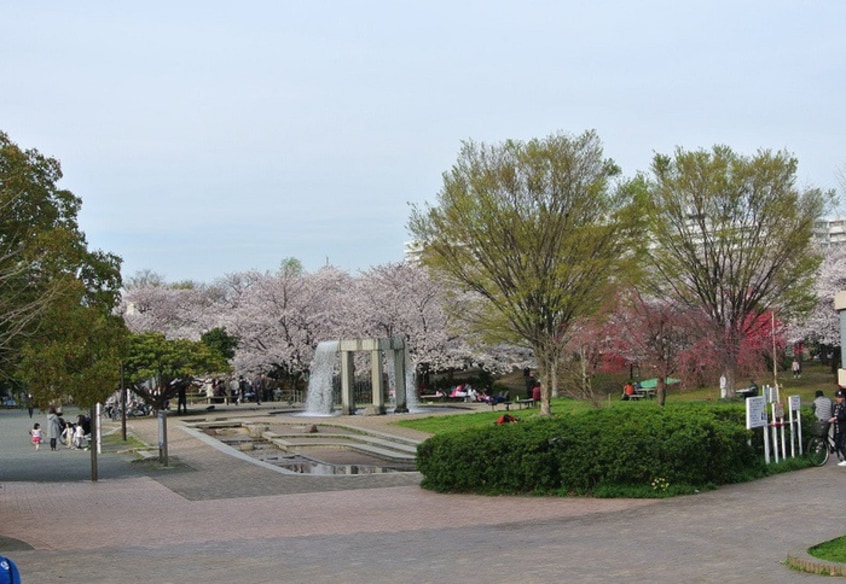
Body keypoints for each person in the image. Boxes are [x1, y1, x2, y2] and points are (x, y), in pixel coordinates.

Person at [830, 389, 846, 467]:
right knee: (838, 444)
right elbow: (833, 414)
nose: (839, 399)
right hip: (837, 428)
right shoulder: (835, 406)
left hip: (844, 428)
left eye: (841, 397)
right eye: (838, 397)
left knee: (842, 444)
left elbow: (844, 416)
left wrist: (836, 418)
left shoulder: (844, 406)